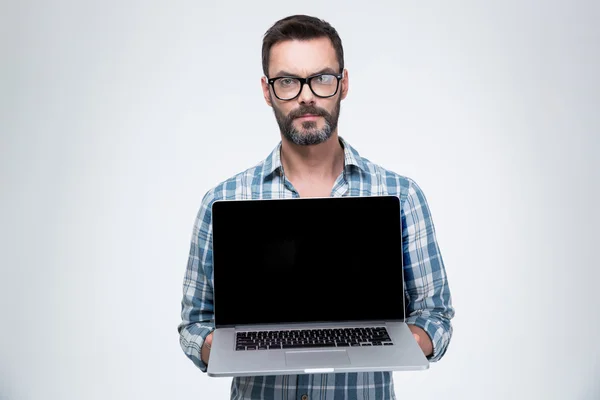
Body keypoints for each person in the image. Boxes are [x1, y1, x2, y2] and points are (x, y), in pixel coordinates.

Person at [178, 14, 454, 400]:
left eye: (322, 78)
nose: (306, 95)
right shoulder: (224, 200)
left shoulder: (401, 194)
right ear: (266, 90)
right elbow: (194, 325)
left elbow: (436, 317)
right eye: (288, 81)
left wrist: (397, 341)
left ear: (343, 85)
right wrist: (225, 348)